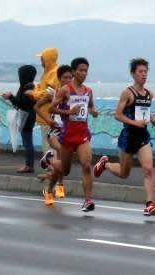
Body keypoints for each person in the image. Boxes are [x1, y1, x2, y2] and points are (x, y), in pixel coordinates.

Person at [93, 58, 155, 216]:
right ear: (133, 74)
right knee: (124, 173)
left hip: (143, 137)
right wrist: (134, 122)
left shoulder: (149, 94)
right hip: (128, 136)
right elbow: (117, 115)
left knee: (149, 169)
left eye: (146, 72)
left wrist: (153, 121)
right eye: (140, 72)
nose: (144, 75)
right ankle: (105, 164)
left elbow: (144, 112)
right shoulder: (127, 93)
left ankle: (150, 204)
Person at [44, 57, 98, 212]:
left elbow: (91, 106)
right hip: (67, 136)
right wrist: (68, 112)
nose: (83, 73)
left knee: (86, 165)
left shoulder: (88, 91)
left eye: (86, 70)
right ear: (74, 72)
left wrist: (93, 111)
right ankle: (49, 169)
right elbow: (51, 109)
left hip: (82, 135)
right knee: (64, 170)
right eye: (80, 70)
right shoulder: (65, 90)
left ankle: (87, 201)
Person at [35, 65, 72, 198]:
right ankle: (50, 159)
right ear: (59, 78)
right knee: (62, 153)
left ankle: (57, 185)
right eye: (65, 78)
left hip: (68, 131)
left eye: (70, 77)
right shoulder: (53, 93)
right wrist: (47, 120)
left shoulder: (74, 95)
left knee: (63, 162)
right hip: (55, 132)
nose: (68, 80)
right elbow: (37, 107)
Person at [2, 65, 37, 173]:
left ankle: (29, 165)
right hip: (28, 117)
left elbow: (22, 103)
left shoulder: (28, 88)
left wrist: (10, 97)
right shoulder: (28, 86)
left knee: (27, 142)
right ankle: (29, 164)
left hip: (26, 117)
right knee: (27, 141)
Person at [30, 48, 60, 155]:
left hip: (49, 115)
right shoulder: (46, 73)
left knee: (49, 147)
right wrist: (37, 92)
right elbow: (39, 88)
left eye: (42, 58)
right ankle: (51, 169)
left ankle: (52, 169)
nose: (41, 61)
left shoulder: (54, 73)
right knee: (47, 144)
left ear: (48, 59)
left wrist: (34, 94)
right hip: (44, 116)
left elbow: (49, 92)